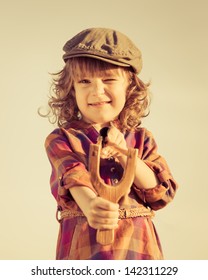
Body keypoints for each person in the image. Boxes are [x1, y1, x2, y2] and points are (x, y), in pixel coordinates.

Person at [43, 27, 178, 260]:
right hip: (85, 250)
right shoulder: (62, 138)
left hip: (138, 251)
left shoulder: (142, 139)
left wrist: (125, 155)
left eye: (108, 79)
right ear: (71, 89)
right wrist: (91, 205)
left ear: (130, 87)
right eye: (84, 81)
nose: (97, 91)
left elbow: (159, 193)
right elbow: (73, 176)